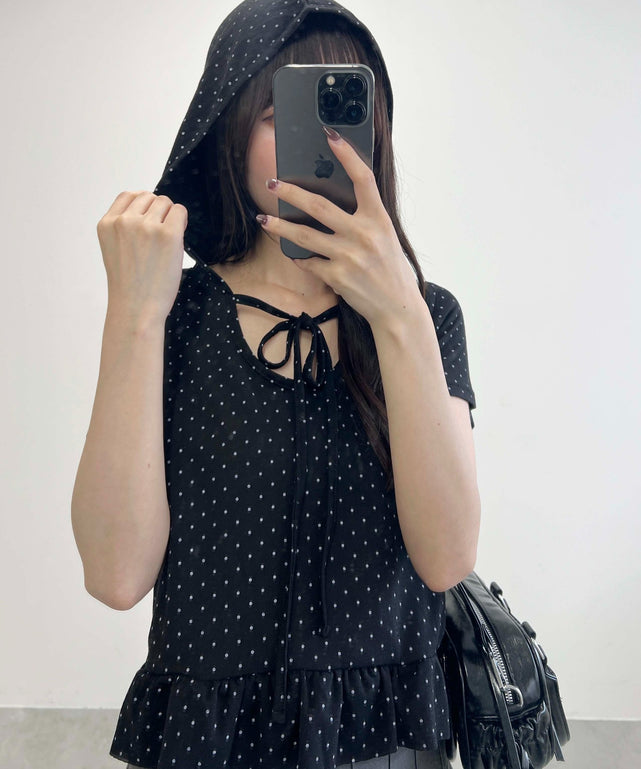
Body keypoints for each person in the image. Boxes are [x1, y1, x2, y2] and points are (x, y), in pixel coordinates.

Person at [71, 1, 481, 767]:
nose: (323, 142)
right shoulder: (173, 315)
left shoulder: (426, 316)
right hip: (208, 737)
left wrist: (397, 313)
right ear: (227, 128)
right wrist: (133, 312)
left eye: (344, 109)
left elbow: (447, 557)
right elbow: (116, 575)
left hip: (383, 737)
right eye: (279, 112)